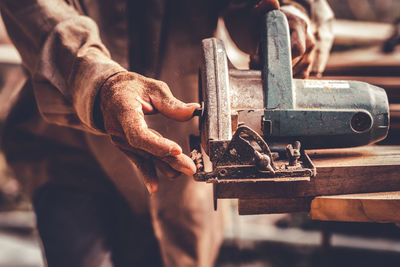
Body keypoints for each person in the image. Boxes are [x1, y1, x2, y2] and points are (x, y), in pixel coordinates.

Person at [0, 0, 334, 266]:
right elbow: (41, 14)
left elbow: (254, 10)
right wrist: (100, 82)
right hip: (70, 154)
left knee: (178, 249)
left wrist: (289, 14)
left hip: (183, 162)